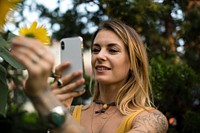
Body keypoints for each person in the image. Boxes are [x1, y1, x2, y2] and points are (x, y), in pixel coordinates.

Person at [11, 19, 168, 133]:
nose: (100, 56)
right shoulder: (70, 113)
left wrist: (44, 98)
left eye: (112, 50)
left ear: (133, 63)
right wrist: (60, 109)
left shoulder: (152, 119)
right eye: (95, 49)